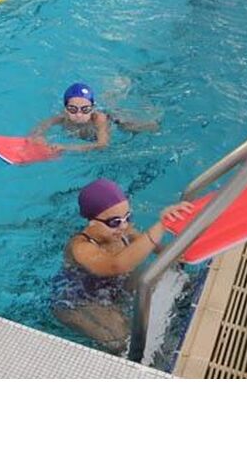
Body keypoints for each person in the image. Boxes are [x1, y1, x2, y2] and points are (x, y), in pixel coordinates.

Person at [52, 178, 194, 353]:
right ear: (92, 221)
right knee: (124, 341)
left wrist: (180, 251)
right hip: (81, 301)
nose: (124, 225)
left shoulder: (123, 230)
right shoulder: (81, 247)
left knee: (171, 278)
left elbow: (152, 246)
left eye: (127, 217)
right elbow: (115, 266)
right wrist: (161, 225)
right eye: (114, 222)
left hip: (115, 286)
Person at [30, 82, 158, 153]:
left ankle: (121, 87)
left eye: (85, 109)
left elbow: (102, 145)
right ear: (65, 108)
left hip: (114, 121)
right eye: (72, 109)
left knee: (136, 126)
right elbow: (42, 126)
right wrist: (38, 137)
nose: (79, 114)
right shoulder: (62, 117)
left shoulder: (99, 119)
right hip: (87, 134)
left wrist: (66, 147)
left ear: (92, 108)